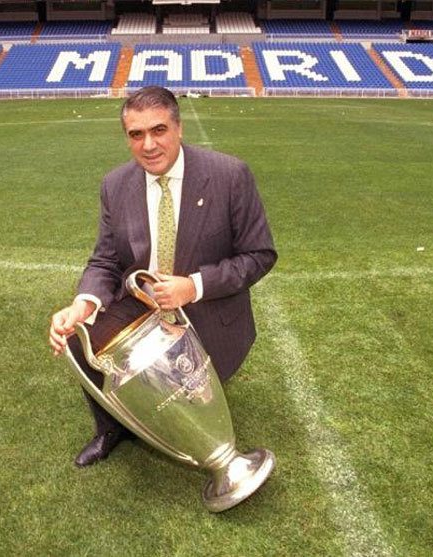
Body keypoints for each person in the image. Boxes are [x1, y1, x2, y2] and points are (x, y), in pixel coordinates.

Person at [48, 86, 277, 467]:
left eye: (159, 130)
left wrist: (194, 286)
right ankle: (110, 427)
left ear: (179, 128)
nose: (149, 145)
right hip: (143, 305)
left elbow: (259, 255)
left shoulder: (229, 175)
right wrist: (82, 304)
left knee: (187, 398)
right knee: (79, 337)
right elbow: (105, 259)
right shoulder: (115, 185)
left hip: (206, 309)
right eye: (136, 134)